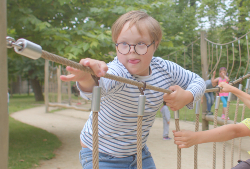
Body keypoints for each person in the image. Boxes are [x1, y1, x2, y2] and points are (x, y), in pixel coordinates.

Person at [60, 10, 205, 169]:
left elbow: (197, 81)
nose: (132, 50)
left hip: (138, 153)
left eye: (141, 43)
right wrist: (87, 78)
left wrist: (188, 95)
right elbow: (100, 85)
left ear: (155, 45)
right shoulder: (118, 71)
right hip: (100, 153)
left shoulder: (165, 69)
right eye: (123, 44)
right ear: (116, 46)